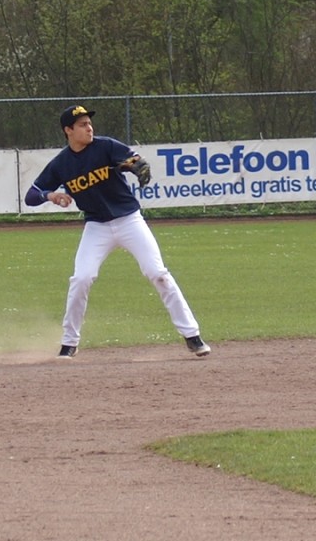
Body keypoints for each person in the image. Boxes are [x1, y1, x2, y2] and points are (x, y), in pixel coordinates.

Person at [24, 104, 211, 360]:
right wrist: (51, 195)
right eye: (82, 124)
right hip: (96, 227)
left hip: (129, 221)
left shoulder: (106, 146)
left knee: (158, 273)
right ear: (68, 130)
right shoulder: (61, 164)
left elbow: (132, 160)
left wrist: (136, 165)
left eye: (89, 123)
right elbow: (31, 196)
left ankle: (192, 336)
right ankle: (69, 343)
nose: (89, 128)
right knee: (81, 279)